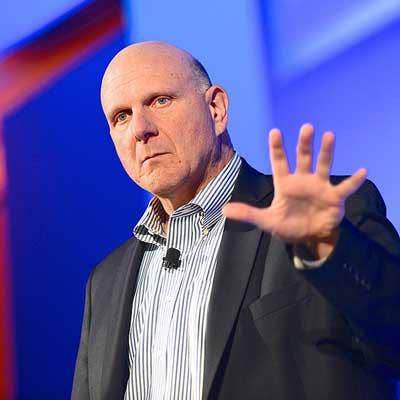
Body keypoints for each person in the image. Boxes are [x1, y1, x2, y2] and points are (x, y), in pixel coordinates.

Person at [72, 41, 400, 400]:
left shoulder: (329, 216)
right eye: (121, 116)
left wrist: (329, 248)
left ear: (216, 109)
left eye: (160, 101)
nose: (140, 128)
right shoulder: (104, 283)